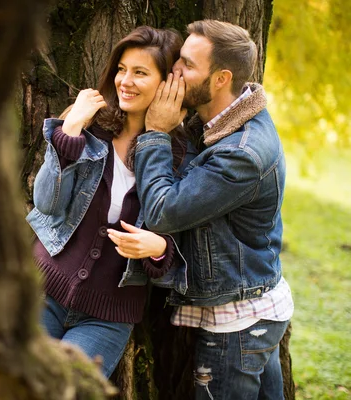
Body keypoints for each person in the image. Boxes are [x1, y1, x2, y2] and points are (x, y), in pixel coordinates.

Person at [110, 20, 294, 399]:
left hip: (238, 324)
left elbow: (163, 210)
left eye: (188, 66)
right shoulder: (219, 126)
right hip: (251, 311)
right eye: (179, 60)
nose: (175, 71)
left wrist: (157, 134)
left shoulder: (241, 153)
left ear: (221, 78)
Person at [26, 26, 189, 378]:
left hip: (108, 316)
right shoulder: (91, 125)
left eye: (140, 73)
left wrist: (159, 248)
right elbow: (46, 203)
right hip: (41, 292)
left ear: (169, 84)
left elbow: (187, 241)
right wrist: (69, 130)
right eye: (121, 69)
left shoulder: (180, 156)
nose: (125, 81)